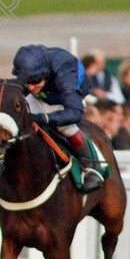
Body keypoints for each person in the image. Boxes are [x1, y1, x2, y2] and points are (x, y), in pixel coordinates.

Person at [8, 44, 103, 192]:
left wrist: (44, 118)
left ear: (45, 73)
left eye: (35, 80)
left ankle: (92, 168)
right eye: (26, 81)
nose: (30, 86)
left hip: (66, 99)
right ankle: (4, 163)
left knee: (66, 127)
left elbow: (75, 112)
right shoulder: (34, 78)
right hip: (42, 97)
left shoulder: (64, 72)